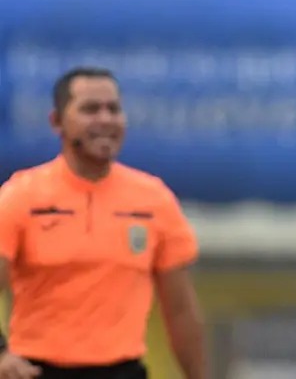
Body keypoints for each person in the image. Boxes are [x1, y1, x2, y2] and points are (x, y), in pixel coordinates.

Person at [0, 67, 207, 379]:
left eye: (114, 109)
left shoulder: (154, 200)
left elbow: (180, 311)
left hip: (122, 371)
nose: (106, 119)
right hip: (38, 370)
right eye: (90, 109)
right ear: (57, 121)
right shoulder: (21, 196)